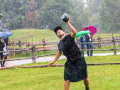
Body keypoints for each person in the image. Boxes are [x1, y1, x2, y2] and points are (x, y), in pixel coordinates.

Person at [48, 17, 89, 90]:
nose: (59, 31)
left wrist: (68, 23)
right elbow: (59, 53)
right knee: (67, 78)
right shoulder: (60, 44)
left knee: (84, 77)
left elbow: (75, 32)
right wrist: (52, 62)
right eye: (57, 32)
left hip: (79, 59)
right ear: (57, 35)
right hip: (70, 62)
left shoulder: (69, 37)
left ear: (63, 32)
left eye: (60, 30)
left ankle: (87, 88)